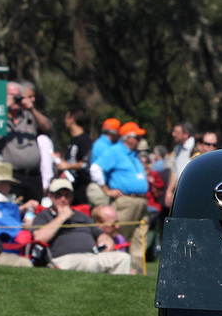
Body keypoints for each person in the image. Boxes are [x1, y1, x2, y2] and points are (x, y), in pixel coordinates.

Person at [29, 178, 133, 274]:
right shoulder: (44, 216)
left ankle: (116, 292)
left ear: (72, 197)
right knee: (83, 263)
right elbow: (39, 237)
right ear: (51, 197)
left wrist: (106, 240)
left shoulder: (82, 216)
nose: (63, 199)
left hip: (92, 256)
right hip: (65, 259)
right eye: (58, 195)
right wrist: (62, 217)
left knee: (124, 258)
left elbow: (99, 233)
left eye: (67, 195)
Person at [93, 121, 151, 273]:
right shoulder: (115, 151)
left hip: (140, 201)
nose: (139, 140)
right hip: (126, 201)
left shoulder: (133, 155)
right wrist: (106, 190)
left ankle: (138, 272)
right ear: (128, 138)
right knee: (119, 235)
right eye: (137, 137)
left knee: (140, 237)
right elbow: (95, 168)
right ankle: (118, 269)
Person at [0, 81, 52, 203]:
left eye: (18, 96)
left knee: (36, 208)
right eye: (11, 95)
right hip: (12, 176)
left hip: (33, 176)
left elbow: (45, 126)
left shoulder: (29, 115)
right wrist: (4, 108)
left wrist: (31, 108)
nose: (15, 99)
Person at [54, 110, 91, 191]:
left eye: (67, 118)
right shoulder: (73, 141)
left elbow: (86, 163)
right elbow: (71, 159)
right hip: (73, 185)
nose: (65, 121)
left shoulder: (84, 140)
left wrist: (67, 166)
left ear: (72, 119)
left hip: (83, 185)